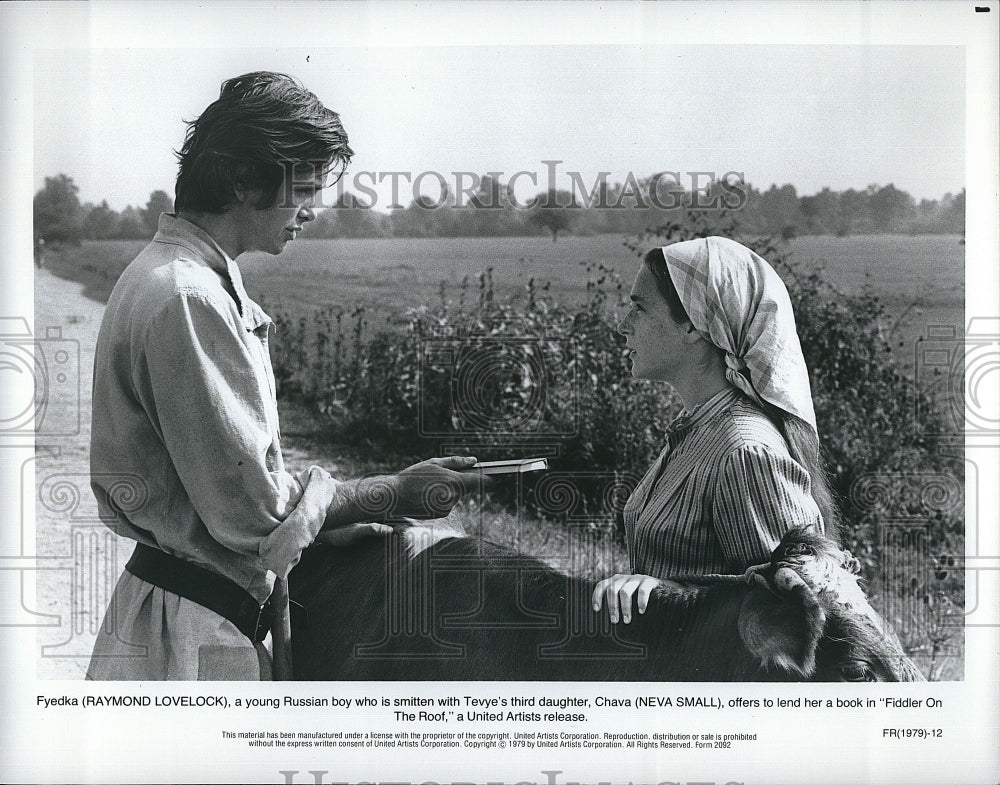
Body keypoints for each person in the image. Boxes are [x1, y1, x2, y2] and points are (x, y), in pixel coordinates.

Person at [87, 72, 481, 680]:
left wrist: (321, 527)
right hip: (193, 637)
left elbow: (214, 482)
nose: (312, 211)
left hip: (177, 612)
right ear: (244, 181)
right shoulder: (189, 297)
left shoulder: (166, 273)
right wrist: (390, 493)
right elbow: (258, 517)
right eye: (302, 189)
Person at [592, 236, 840, 624]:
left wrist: (670, 594)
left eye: (639, 308)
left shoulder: (744, 451)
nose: (624, 326)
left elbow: (798, 611)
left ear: (693, 324)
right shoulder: (696, 430)